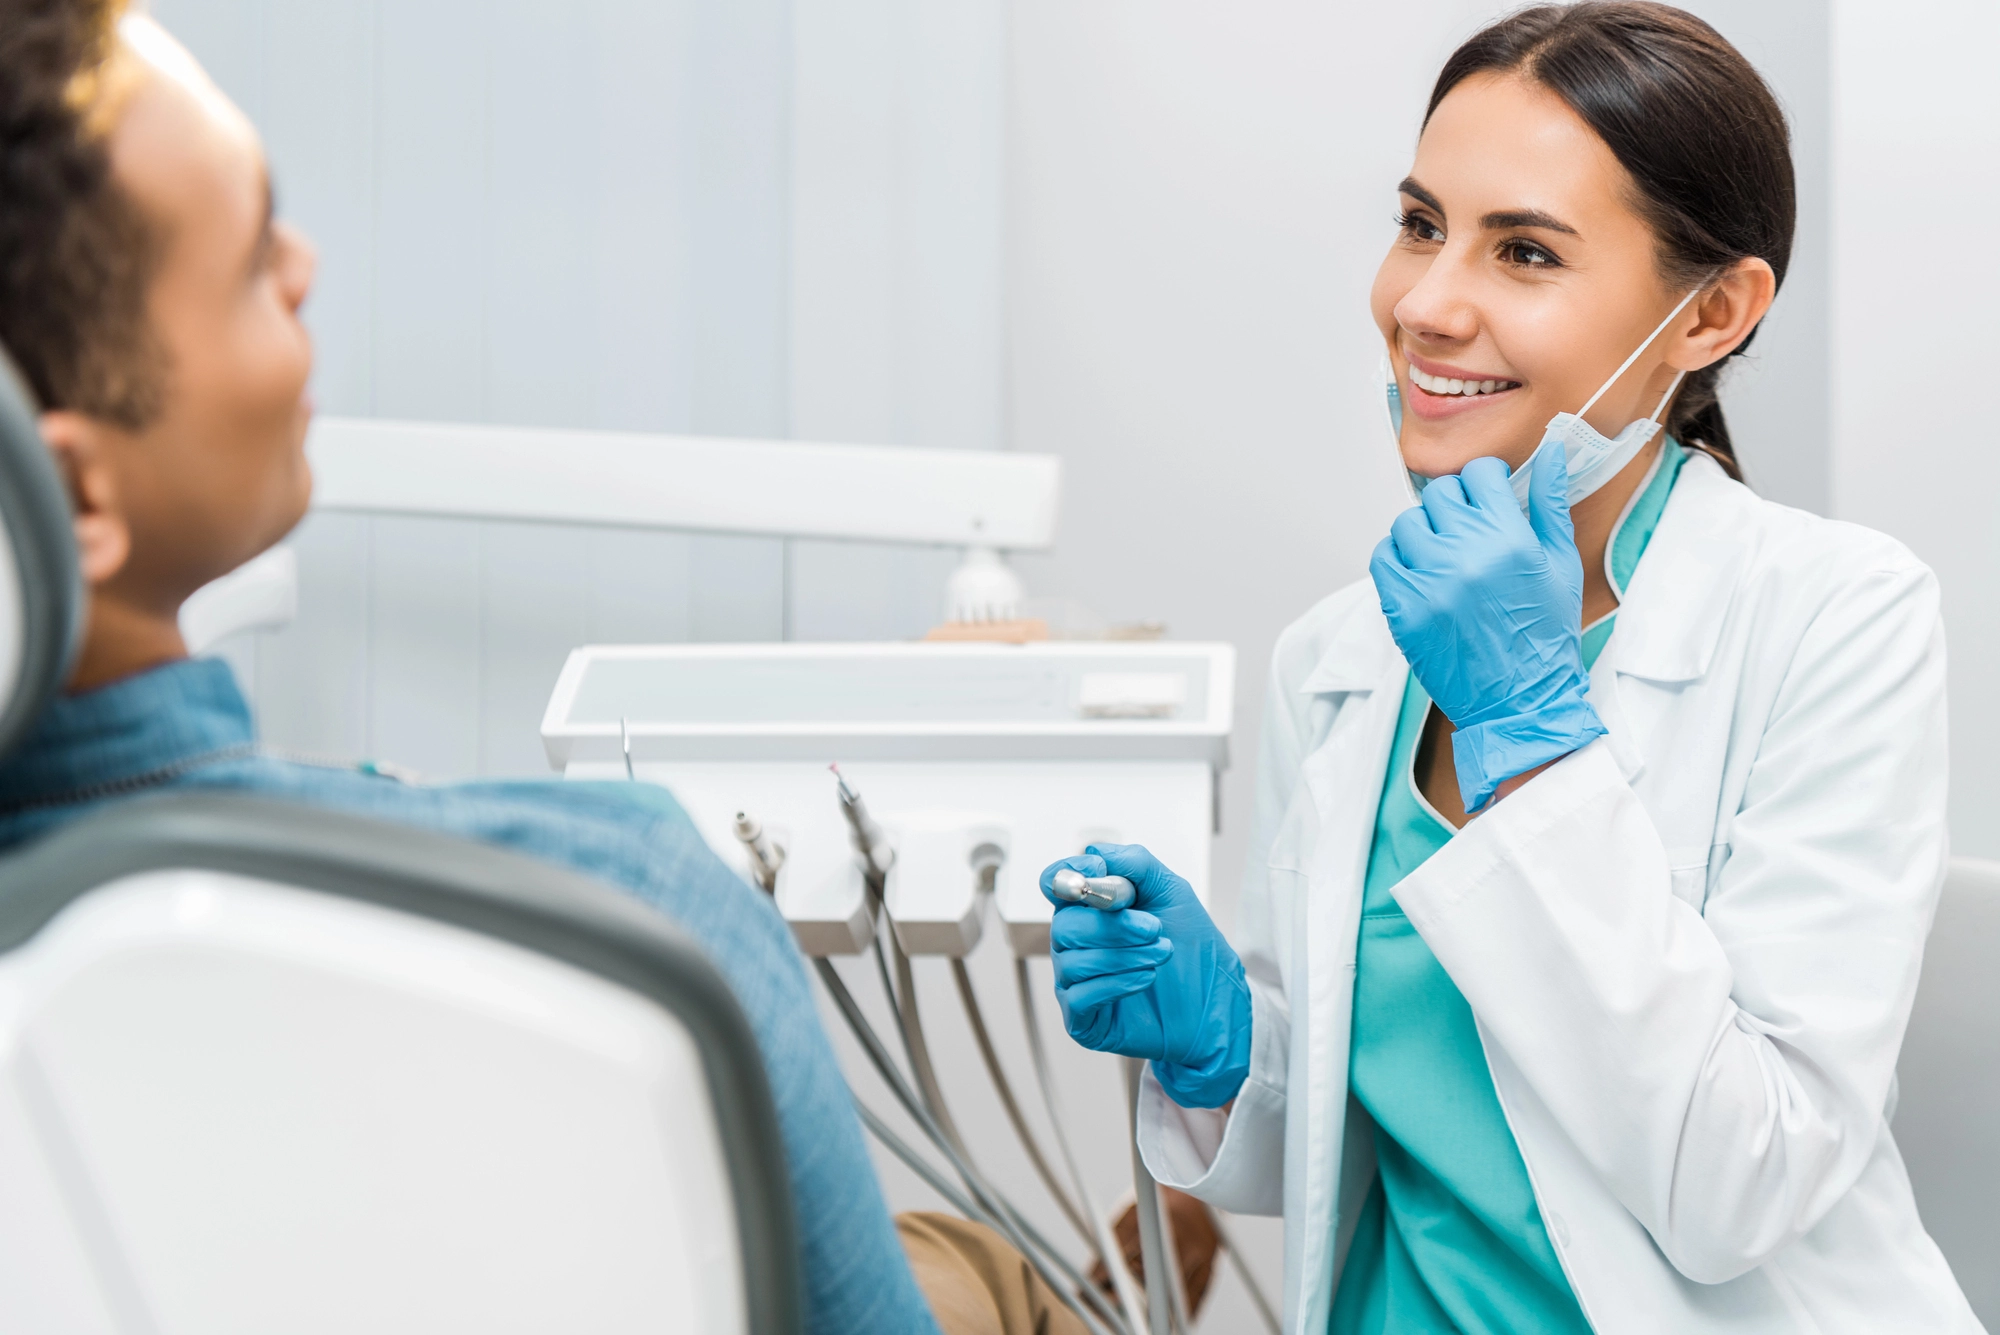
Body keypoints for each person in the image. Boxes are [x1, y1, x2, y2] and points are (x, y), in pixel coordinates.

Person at [0, 4, 1093, 1332]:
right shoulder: (619, 907)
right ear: (72, 492)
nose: (305, 261)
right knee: (1002, 1275)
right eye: (246, 259)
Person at [1040, 4, 1980, 1332]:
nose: (1426, 303)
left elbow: (1739, 1183)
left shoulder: (1836, 618)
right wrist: (1227, 1050)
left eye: (1524, 250)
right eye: (1421, 225)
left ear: (1714, 311)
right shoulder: (1340, 657)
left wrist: (1527, 735)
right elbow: (1371, 1129)